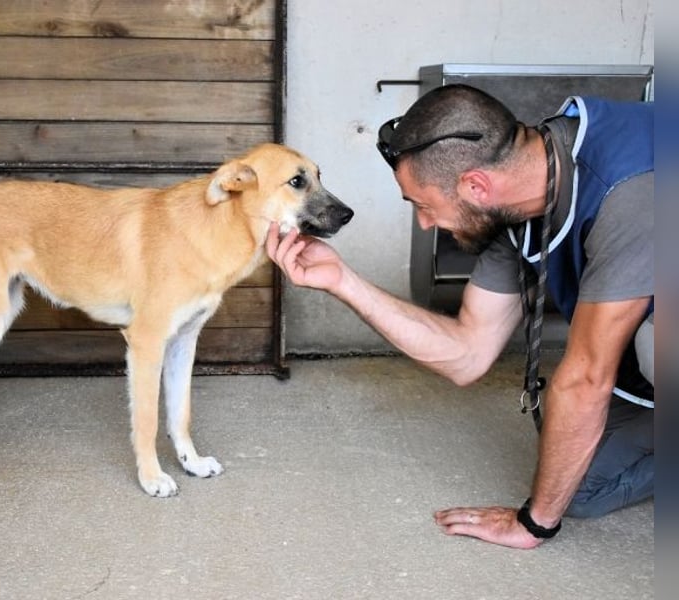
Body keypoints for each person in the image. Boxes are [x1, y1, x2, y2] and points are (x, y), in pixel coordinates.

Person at [266, 84, 653, 549]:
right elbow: (468, 353)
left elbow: (587, 378)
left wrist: (533, 524)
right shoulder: (521, 189)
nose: (425, 224)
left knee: (649, 350)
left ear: (475, 186)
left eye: (423, 207)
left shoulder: (632, 189)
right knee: (581, 486)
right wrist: (343, 282)